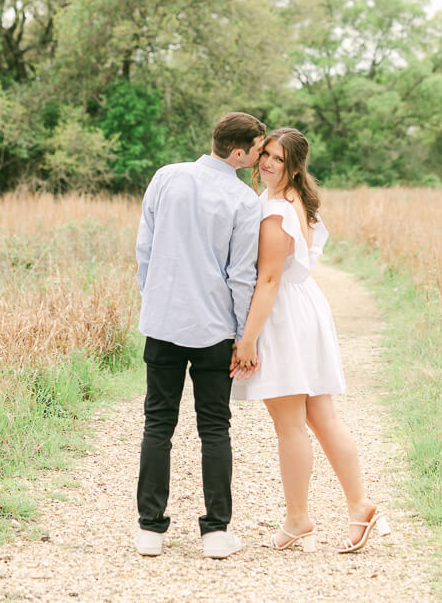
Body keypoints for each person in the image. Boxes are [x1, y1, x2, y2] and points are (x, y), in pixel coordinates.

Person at [231, 127, 390, 554]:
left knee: (290, 426)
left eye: (278, 159)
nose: (266, 163)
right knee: (321, 417)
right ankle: (361, 505)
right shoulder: (289, 200)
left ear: (294, 166)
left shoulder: (276, 209)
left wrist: (248, 340)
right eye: (265, 154)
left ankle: (299, 519)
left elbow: (267, 279)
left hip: (283, 315)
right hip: (304, 307)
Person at [134, 111, 266, 559]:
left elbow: (145, 248)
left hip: (163, 323)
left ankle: (150, 530)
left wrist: (154, 298)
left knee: (158, 424)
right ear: (237, 151)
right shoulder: (244, 200)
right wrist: (244, 336)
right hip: (214, 330)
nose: (257, 160)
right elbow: (241, 275)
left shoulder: (167, 176)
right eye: (256, 151)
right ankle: (215, 532)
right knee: (215, 429)